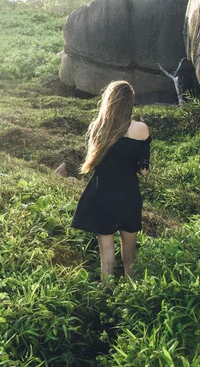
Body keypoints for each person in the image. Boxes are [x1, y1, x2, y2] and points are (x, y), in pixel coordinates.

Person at [71, 80, 151, 280]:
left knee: (106, 259)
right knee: (130, 258)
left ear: (109, 101)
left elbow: (93, 162)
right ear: (130, 102)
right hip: (128, 196)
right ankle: (131, 297)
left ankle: (105, 295)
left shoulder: (98, 127)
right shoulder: (141, 129)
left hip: (102, 195)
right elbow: (144, 171)